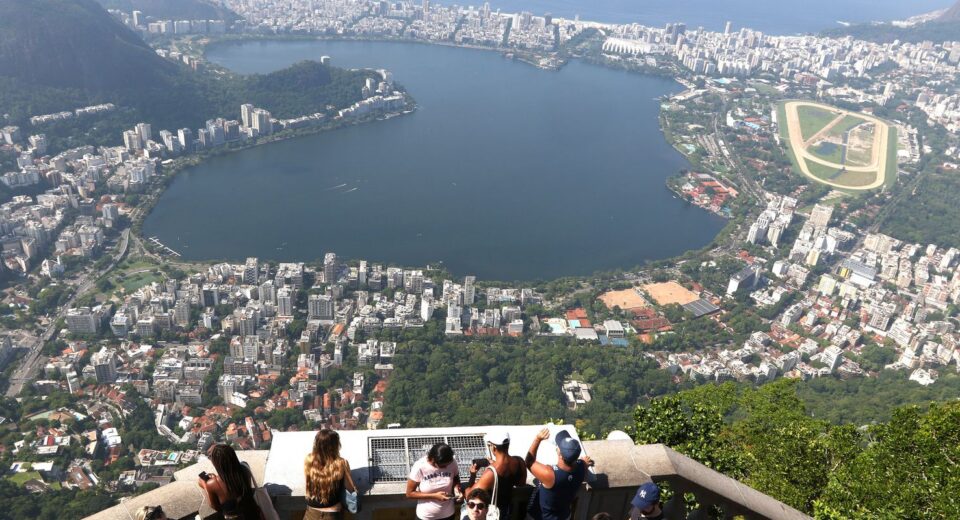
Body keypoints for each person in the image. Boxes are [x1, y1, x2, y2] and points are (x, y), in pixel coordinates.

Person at [525, 428, 593, 520]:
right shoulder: (582, 468)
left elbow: (529, 462)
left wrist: (537, 439)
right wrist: (584, 462)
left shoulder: (550, 474)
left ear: (560, 455)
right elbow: (583, 462)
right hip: (565, 516)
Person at [464, 429, 527, 519]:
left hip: (494, 514)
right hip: (509, 511)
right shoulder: (519, 461)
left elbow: (469, 496)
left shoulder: (491, 473)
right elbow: (521, 484)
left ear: (493, 447)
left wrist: (472, 475)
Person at [304, 429, 358, 520]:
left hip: (311, 513)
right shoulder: (341, 463)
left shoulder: (309, 459)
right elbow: (349, 488)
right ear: (335, 445)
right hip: (332, 514)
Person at [198, 444, 261, 520]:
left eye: (211, 457)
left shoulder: (212, 484)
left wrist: (205, 485)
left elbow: (215, 506)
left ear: (216, 462)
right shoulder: (245, 468)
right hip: (253, 514)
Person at [406, 442, 462, 520]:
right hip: (426, 516)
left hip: (448, 514)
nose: (446, 467)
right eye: (443, 465)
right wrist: (435, 496)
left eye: (447, 465)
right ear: (433, 460)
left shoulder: (452, 462)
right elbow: (409, 493)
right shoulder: (420, 466)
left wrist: (457, 488)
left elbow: (456, 478)